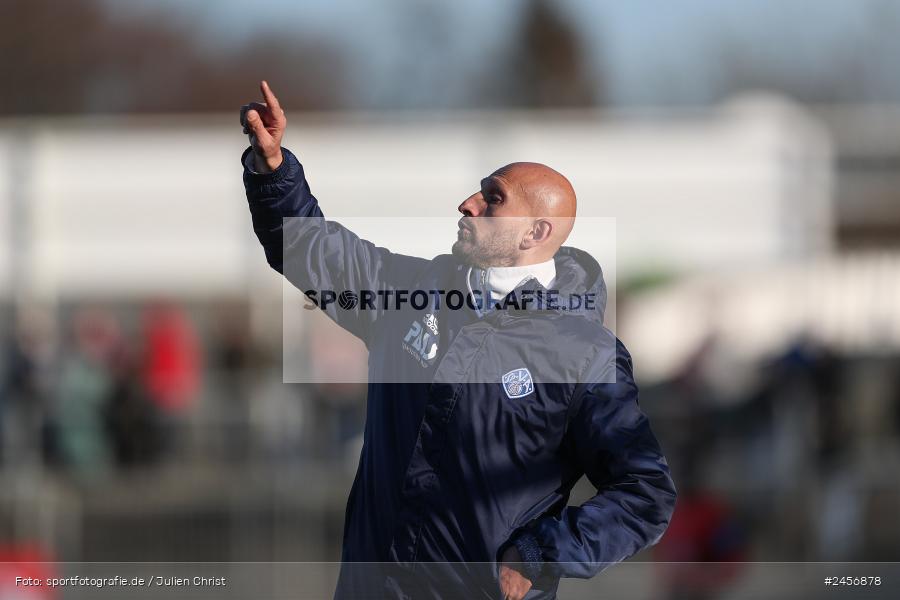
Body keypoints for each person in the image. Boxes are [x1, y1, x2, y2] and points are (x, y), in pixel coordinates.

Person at [240, 81, 676, 600]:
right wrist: (273, 169)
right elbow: (306, 247)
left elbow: (644, 493)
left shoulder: (586, 354)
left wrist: (541, 554)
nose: (467, 204)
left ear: (535, 233)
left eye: (493, 198)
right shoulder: (408, 294)